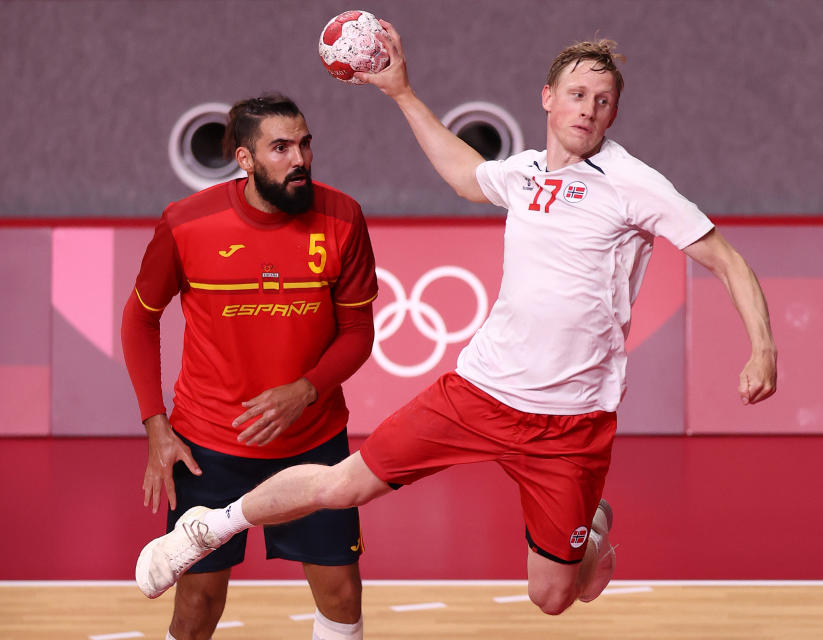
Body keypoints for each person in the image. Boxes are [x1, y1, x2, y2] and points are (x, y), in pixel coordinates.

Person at [135, 25, 777, 617]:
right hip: (479, 392)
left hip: (571, 422)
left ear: (615, 111)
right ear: (548, 98)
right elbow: (466, 175)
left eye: (604, 100)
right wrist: (403, 93)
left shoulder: (634, 183)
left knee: (553, 597)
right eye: (577, 94)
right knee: (346, 483)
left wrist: (762, 350)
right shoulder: (524, 173)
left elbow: (725, 259)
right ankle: (211, 526)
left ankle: (595, 524)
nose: (589, 109)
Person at [122, 93, 377, 640]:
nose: (300, 158)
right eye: (281, 147)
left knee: (342, 593)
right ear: (245, 158)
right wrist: (155, 426)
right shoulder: (187, 223)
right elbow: (138, 320)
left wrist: (306, 390)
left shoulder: (343, 217)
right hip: (208, 447)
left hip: (314, 443)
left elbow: (358, 333)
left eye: (305, 143)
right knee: (198, 604)